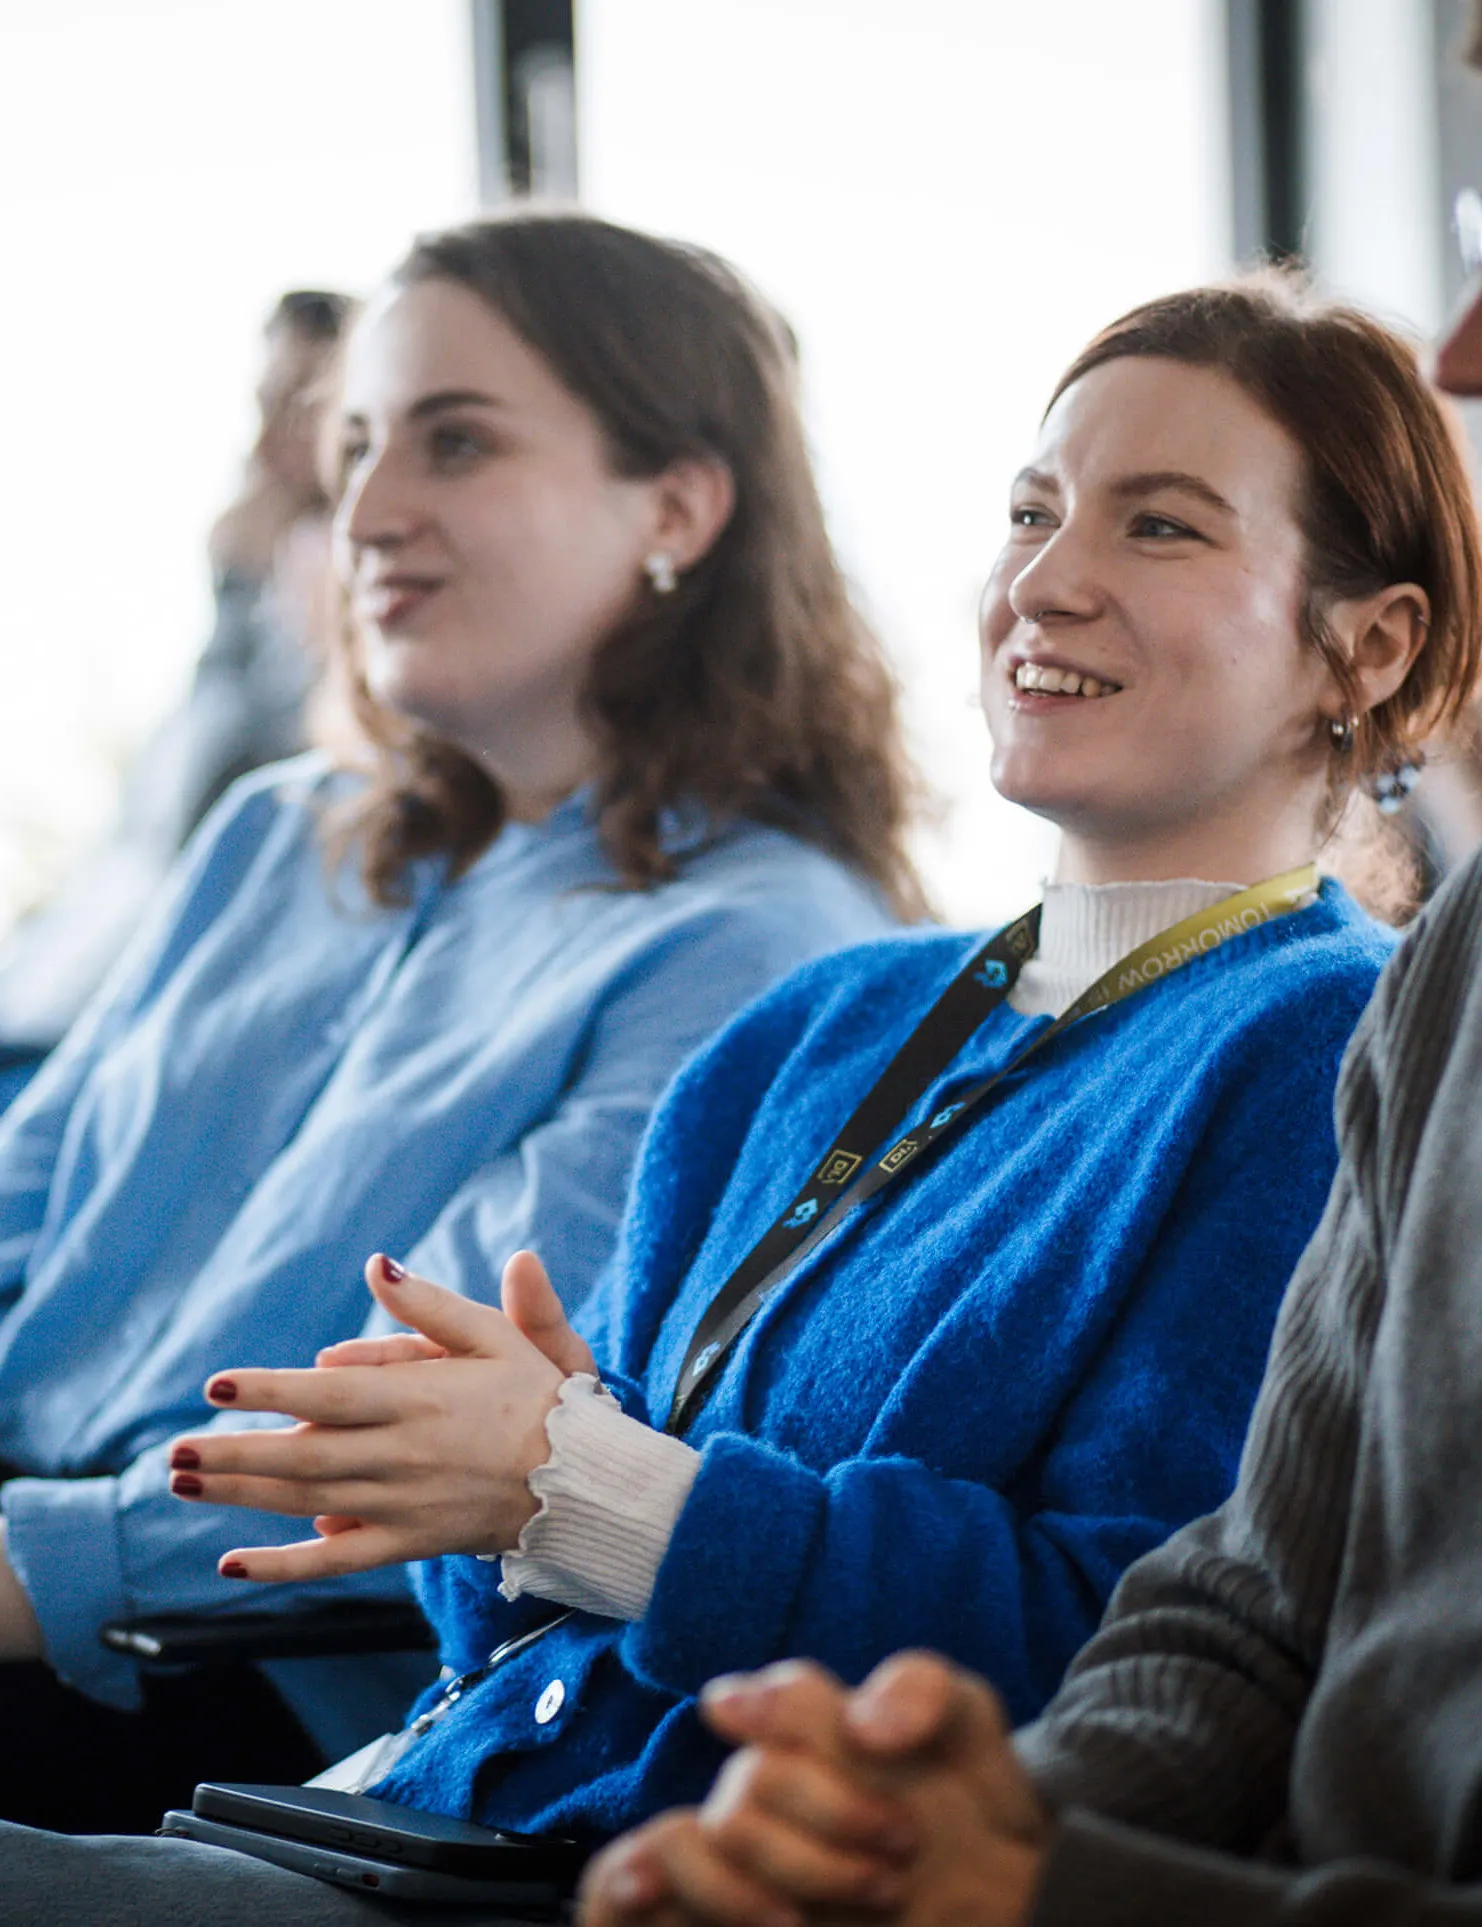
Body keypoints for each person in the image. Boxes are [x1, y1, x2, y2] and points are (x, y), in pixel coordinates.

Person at [573, 2, 1482, 1923]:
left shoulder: (1319, 1008)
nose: (1476, 354)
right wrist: (960, 1837)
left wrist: (1038, 1890)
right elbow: (1245, 1607)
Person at [0, 268, 1482, 1919]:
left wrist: (585, 1485)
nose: (1044, 580)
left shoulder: (1331, 1050)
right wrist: (509, 1494)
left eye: (1159, 528)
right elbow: (541, 1635)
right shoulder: (823, 1022)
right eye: (1030, 510)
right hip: (423, 1816)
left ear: (1368, 640)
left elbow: (1141, 1651)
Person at [0, 211, 917, 1833]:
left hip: (248, 1673)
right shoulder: (277, 836)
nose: (363, 509)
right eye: (354, 444)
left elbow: (422, 1449)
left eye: (455, 440)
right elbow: (26, 1201)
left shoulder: (756, 949)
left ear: (679, 507)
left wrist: (37, 1565)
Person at [0, 289, 352, 1109]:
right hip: (61, 985)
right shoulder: (255, 607)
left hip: (106, 1029)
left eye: (296, 410)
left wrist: (237, 582)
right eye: (260, 408)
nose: (265, 443)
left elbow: (221, 799)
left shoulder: (331, 608)